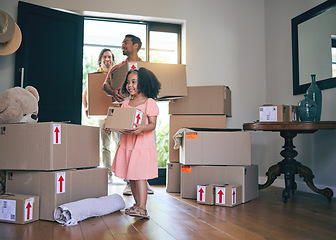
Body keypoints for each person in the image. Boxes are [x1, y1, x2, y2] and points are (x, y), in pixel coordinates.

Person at [103, 34, 154, 195]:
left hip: (145, 112)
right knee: (127, 147)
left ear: (136, 45)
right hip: (125, 111)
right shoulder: (118, 68)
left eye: (126, 42)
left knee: (144, 148)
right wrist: (113, 92)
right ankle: (129, 182)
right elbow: (105, 84)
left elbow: (158, 85)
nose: (123, 45)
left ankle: (144, 182)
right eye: (123, 42)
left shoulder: (146, 67)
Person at [112, 67, 161, 219]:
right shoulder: (126, 103)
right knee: (131, 176)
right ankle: (137, 204)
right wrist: (113, 126)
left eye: (134, 82)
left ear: (143, 84)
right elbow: (121, 121)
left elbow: (152, 124)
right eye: (128, 82)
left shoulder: (149, 102)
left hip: (142, 146)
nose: (130, 85)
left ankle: (142, 207)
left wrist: (142, 128)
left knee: (140, 176)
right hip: (128, 145)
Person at [82, 48, 115, 183]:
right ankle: (108, 174)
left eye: (109, 57)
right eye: (105, 57)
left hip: (116, 116)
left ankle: (125, 176)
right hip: (102, 117)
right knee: (105, 146)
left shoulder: (116, 75)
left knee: (120, 144)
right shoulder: (95, 76)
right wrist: (86, 108)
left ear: (112, 59)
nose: (107, 59)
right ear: (100, 59)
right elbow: (85, 94)